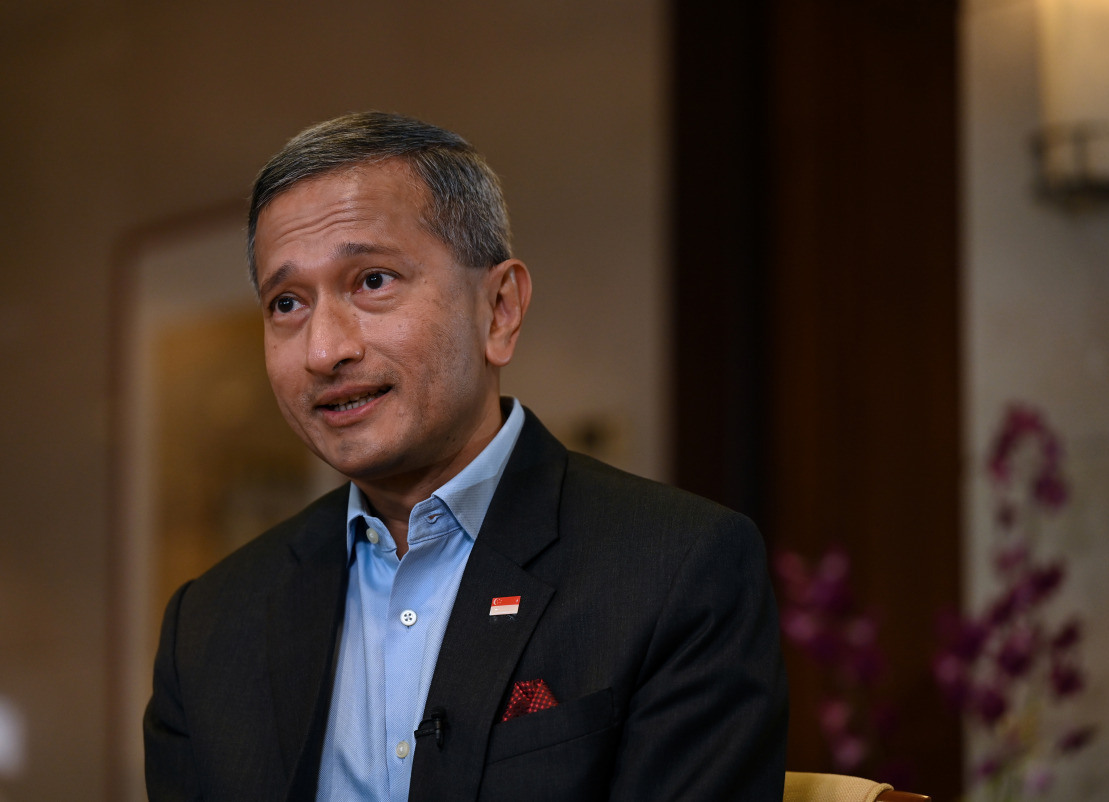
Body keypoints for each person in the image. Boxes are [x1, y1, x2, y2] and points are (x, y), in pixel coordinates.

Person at [143, 111, 787, 801]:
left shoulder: (675, 570)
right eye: (288, 302)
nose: (326, 349)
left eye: (374, 281)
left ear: (499, 310)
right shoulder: (209, 627)